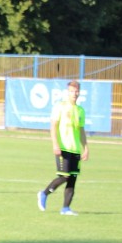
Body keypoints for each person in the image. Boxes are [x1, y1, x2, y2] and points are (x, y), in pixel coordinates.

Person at [37, 80, 88, 216]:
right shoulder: (60, 107)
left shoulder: (80, 110)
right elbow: (53, 126)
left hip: (75, 149)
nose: (74, 94)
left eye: (76, 91)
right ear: (67, 92)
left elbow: (81, 131)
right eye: (72, 91)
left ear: (79, 92)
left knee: (72, 179)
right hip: (63, 147)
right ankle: (44, 193)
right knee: (64, 176)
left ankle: (65, 208)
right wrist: (55, 144)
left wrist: (86, 148)